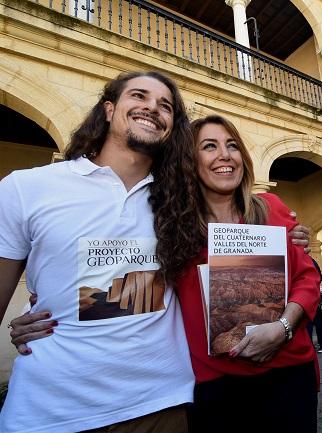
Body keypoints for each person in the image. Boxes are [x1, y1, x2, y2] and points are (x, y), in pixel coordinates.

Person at [0, 71, 196, 432]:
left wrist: (290, 232)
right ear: (108, 109)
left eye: (165, 105)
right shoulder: (26, 188)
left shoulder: (180, 204)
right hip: (48, 413)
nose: (152, 108)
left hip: (159, 405)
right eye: (139, 96)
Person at [153, 114, 320, 433]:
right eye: (209, 146)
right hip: (215, 385)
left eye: (232, 145)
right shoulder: (174, 228)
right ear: (190, 161)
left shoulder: (270, 208)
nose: (224, 155)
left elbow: (307, 279)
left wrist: (283, 327)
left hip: (288, 374)